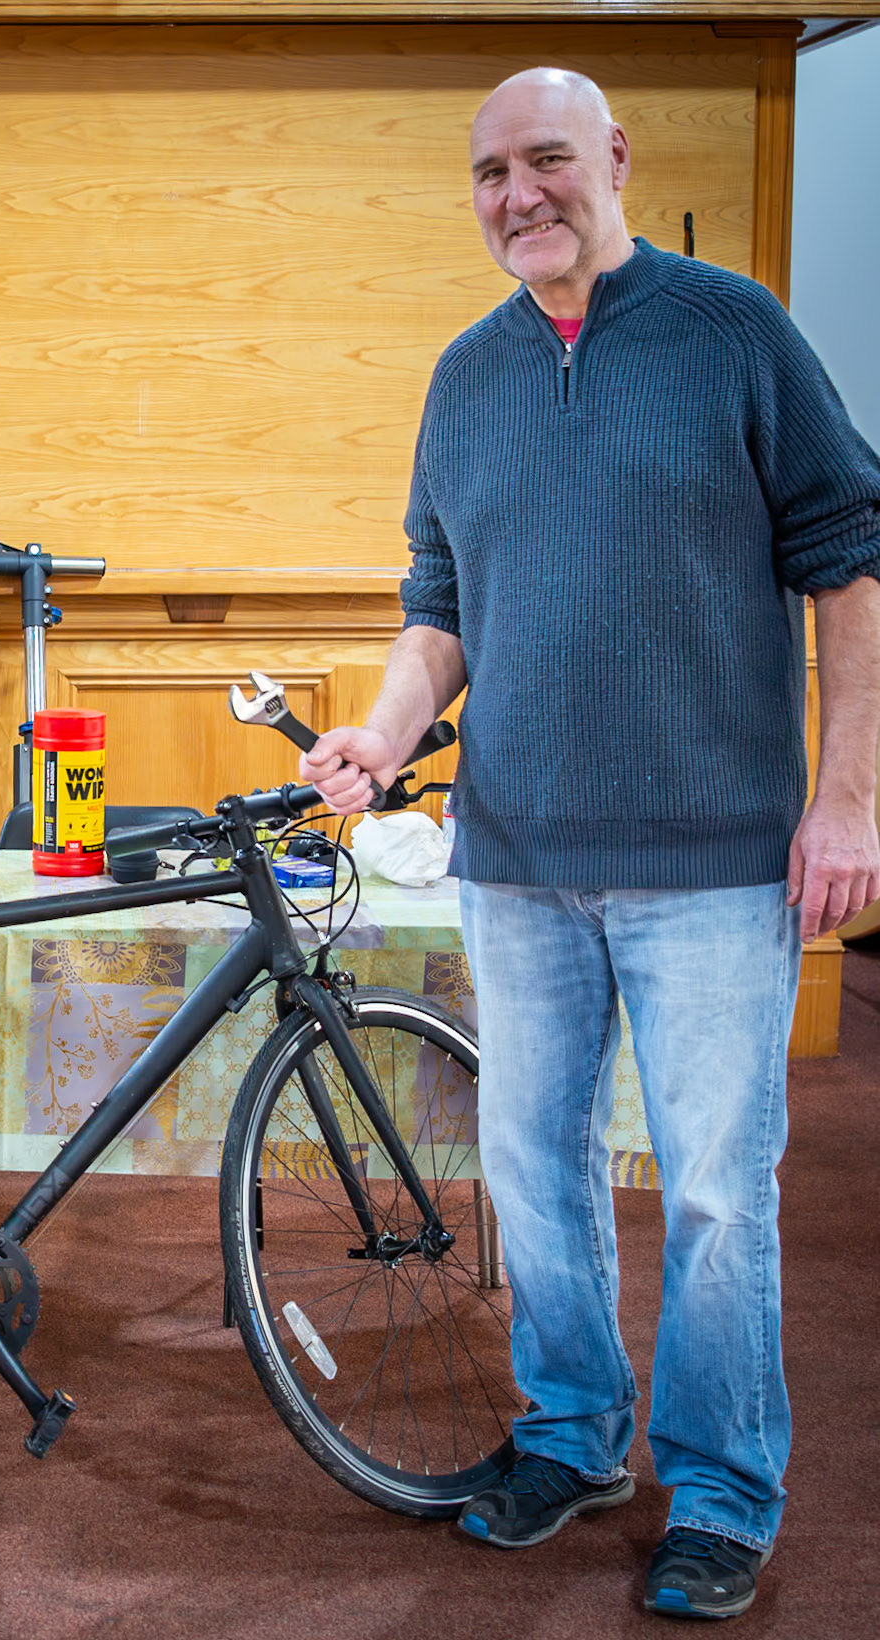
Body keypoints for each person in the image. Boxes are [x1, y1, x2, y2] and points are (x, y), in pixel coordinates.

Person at [300, 68, 880, 1621]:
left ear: (614, 159)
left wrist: (850, 796)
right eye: (491, 173)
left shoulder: (731, 332)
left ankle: (724, 1491)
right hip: (521, 857)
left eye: (547, 160)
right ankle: (572, 1439)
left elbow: (849, 559)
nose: (519, 195)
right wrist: (387, 727)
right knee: (533, 1173)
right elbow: (442, 610)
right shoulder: (466, 377)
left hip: (713, 858)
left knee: (711, 1188)